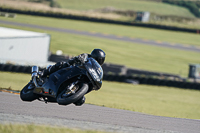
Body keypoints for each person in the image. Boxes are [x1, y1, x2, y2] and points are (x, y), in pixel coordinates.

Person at [41, 49, 106, 77]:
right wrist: (78, 59)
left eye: (100, 60)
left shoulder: (98, 69)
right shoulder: (86, 56)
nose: (98, 61)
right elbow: (78, 57)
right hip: (74, 68)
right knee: (62, 64)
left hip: (82, 75)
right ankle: (45, 72)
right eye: (98, 59)